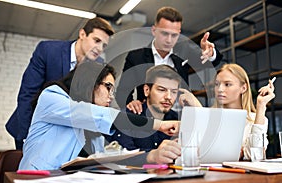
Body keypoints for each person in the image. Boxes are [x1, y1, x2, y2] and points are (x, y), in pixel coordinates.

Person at [18, 62, 180, 170]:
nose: (110, 96)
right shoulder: (52, 97)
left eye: (113, 90)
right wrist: (159, 125)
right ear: (90, 82)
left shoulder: (91, 127)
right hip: (32, 182)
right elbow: (98, 115)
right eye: (108, 87)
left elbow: (105, 157)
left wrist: (151, 156)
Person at [6, 17, 115, 150]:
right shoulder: (48, 51)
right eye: (96, 41)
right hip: (31, 125)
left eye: (104, 45)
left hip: (67, 135)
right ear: (82, 34)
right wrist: (27, 136)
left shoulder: (98, 65)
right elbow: (27, 95)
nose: (99, 48)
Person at [116, 6, 223, 112]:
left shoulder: (184, 50)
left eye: (174, 35)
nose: (169, 40)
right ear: (154, 30)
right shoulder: (136, 57)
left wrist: (210, 53)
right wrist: (131, 104)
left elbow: (209, 61)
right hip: (149, 118)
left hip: (180, 115)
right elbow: (122, 92)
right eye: (164, 33)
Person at [179, 63, 275, 160]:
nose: (220, 89)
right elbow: (197, 152)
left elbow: (256, 155)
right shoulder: (207, 116)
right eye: (217, 84)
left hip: (242, 174)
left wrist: (261, 105)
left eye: (227, 84)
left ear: (243, 88)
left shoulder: (256, 119)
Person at [106, 65, 182, 164]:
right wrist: (152, 156)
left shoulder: (178, 120)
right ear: (147, 90)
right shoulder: (128, 117)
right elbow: (122, 159)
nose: (168, 97)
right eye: (161, 90)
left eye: (174, 92)